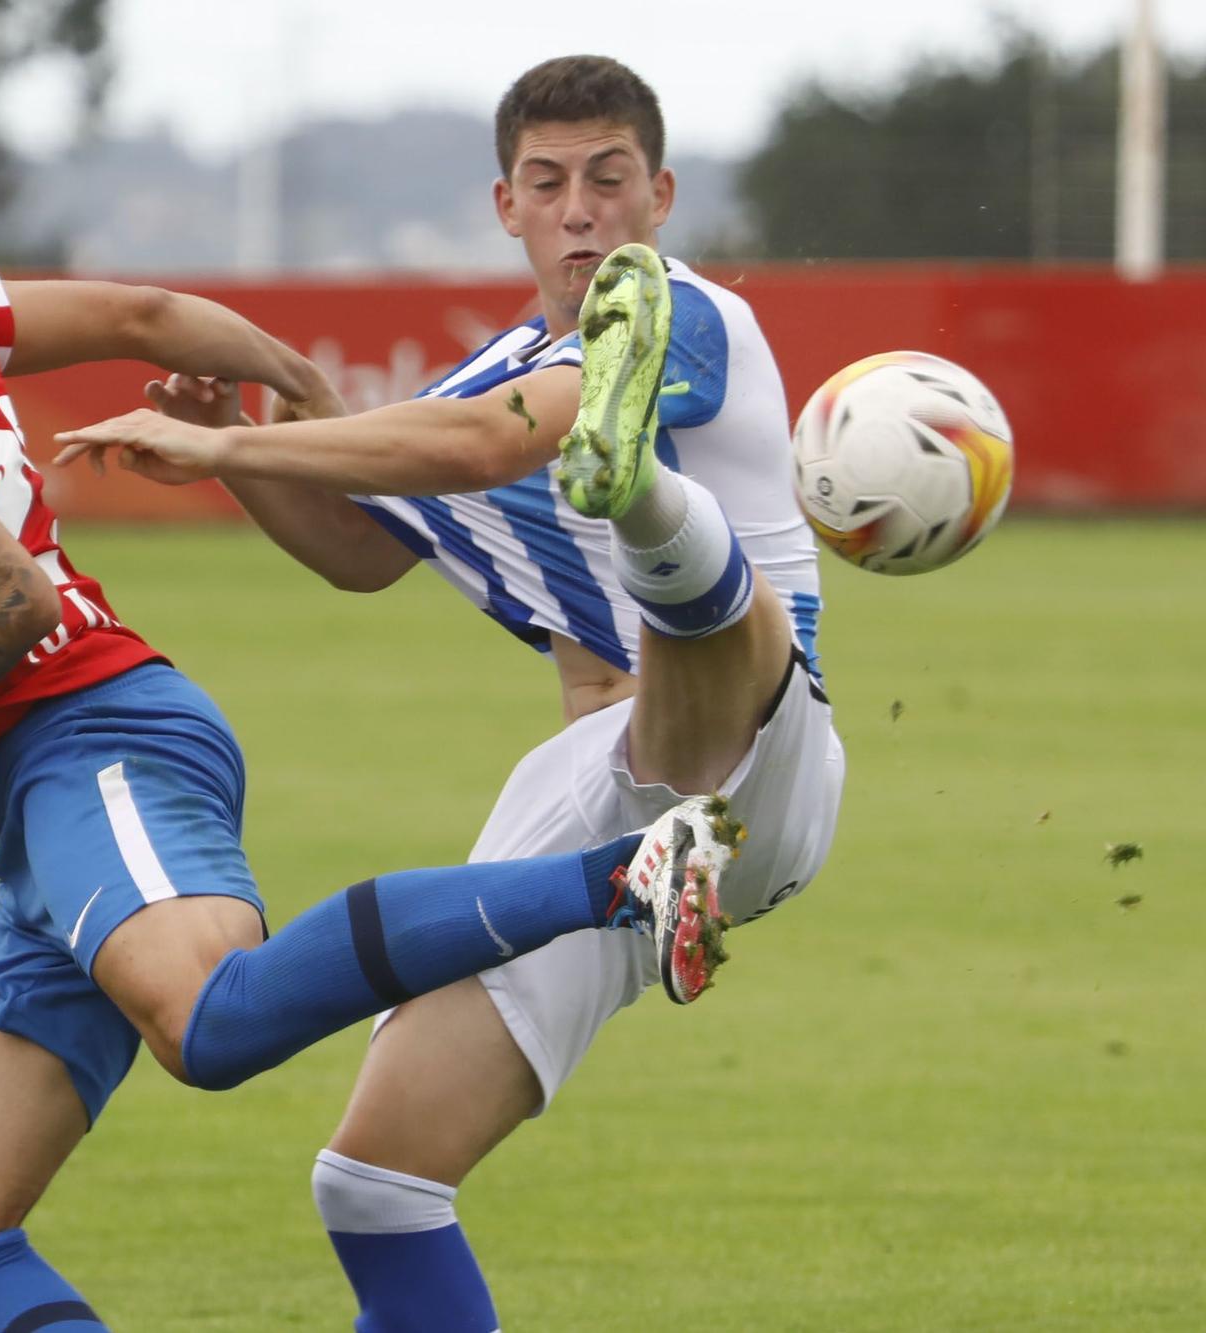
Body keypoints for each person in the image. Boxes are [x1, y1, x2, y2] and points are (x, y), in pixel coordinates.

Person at [0, 117, 740, 1333]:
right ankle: (621, 872)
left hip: (90, 735)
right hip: (47, 811)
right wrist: (301, 391)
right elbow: (149, 316)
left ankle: (625, 872)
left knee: (206, 1022)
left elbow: (7, 597)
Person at [56, 54, 844, 1331]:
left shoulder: (682, 309)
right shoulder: (479, 375)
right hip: (615, 825)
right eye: (550, 183)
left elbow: (487, 444)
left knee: (677, 608)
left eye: (608, 178)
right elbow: (362, 551)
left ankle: (633, 484)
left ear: (659, 197)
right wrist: (244, 459)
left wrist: (224, 441)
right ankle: (633, 494)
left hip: (762, 746)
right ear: (506, 206)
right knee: (374, 1182)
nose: (581, 208)